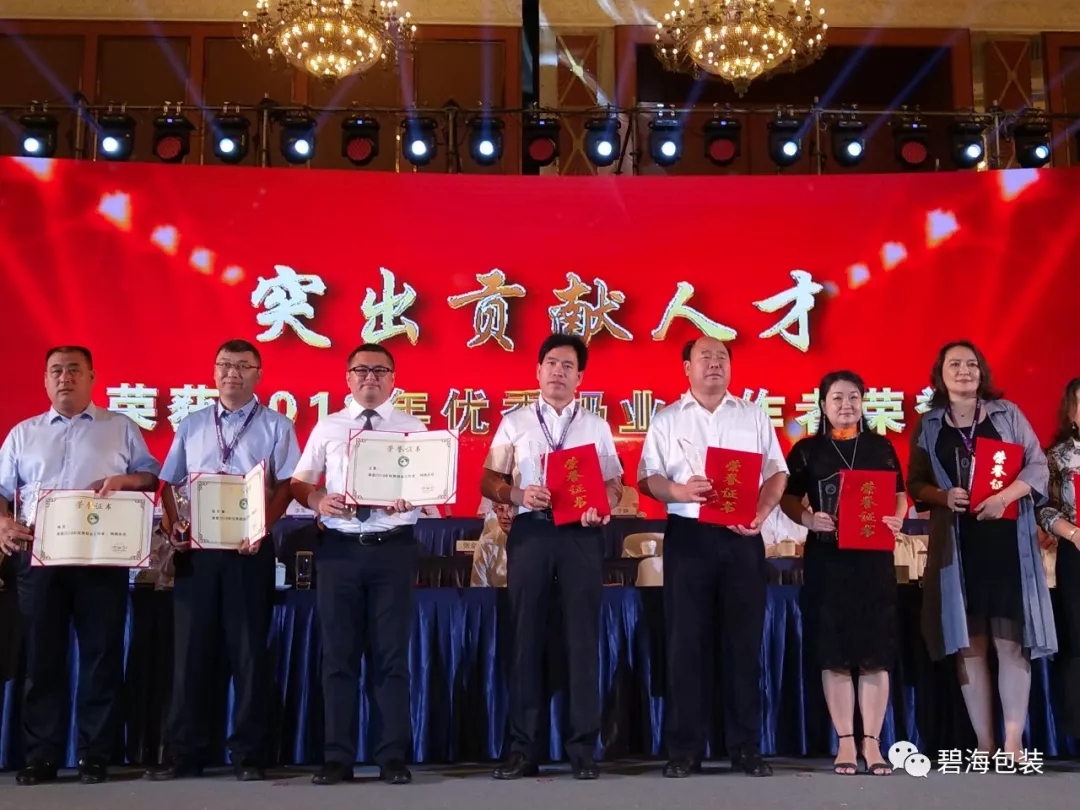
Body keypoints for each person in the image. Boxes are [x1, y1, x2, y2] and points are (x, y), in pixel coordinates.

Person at [0, 346, 160, 786]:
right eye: (56, 370)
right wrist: (3, 522)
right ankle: (41, 756)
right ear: (45, 380)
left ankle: (95, 755)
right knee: (42, 659)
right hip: (39, 558)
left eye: (74, 369)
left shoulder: (119, 427)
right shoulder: (24, 434)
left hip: (101, 557)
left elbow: (150, 476)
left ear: (91, 377)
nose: (64, 377)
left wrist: (124, 480)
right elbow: (1, 490)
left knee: (101, 657)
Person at [144, 339, 300, 782]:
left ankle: (249, 755)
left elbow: (287, 485)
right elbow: (169, 484)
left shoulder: (276, 425)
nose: (233, 373)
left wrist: (262, 527)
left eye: (243, 366)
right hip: (198, 554)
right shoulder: (192, 424)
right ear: (213, 372)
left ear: (258, 374)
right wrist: (175, 526)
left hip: (249, 552)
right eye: (225, 365)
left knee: (249, 654)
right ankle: (183, 753)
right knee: (190, 655)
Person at [638, 337, 787, 778]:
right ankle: (684, 749)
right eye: (705, 356)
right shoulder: (667, 418)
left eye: (722, 357)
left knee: (744, 643)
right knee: (686, 644)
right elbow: (647, 478)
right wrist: (679, 490)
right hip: (689, 537)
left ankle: (746, 747)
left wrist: (761, 512)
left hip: (742, 536)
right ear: (687, 367)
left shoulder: (753, 415)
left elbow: (776, 472)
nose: (715, 363)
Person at [481, 333, 623, 780]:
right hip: (532, 533)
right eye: (551, 363)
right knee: (525, 639)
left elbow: (614, 483)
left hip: (581, 534)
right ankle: (523, 749)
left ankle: (583, 749)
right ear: (537, 371)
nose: (558, 372)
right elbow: (489, 480)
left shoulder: (595, 426)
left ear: (580, 377)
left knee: (582, 640)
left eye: (568, 366)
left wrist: (605, 505)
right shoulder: (515, 422)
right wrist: (517, 494)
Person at [907, 340, 1054, 761]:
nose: (964, 371)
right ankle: (985, 743)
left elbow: (1037, 466)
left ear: (982, 372)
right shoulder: (929, 424)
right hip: (957, 548)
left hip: (1006, 543)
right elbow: (915, 483)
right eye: (954, 364)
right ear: (940, 375)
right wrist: (942, 495)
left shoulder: (1008, 414)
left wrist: (1004, 496)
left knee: (1010, 643)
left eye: (971, 364)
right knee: (969, 645)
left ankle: (1013, 743)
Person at [290, 343, 423, 786]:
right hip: (340, 550)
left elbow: (430, 483)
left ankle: (391, 757)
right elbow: (300, 483)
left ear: (393, 379)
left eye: (380, 370)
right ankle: (337, 757)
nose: (370, 377)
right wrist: (318, 501)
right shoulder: (328, 426)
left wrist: (414, 497)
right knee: (339, 657)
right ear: (347, 378)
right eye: (361, 370)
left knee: (391, 658)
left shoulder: (413, 428)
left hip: (393, 548)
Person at [779, 370, 906, 776]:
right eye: (837, 398)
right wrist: (808, 518)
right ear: (822, 405)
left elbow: (900, 494)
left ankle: (873, 742)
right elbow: (786, 498)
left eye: (853, 397)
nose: (846, 405)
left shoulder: (881, 447)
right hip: (828, 561)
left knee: (874, 654)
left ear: (863, 402)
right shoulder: (807, 450)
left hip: (873, 560)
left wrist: (898, 518)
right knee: (833, 652)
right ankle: (846, 741)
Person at [1038, 377, 1080, 738]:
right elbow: (1045, 509)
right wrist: (1074, 534)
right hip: (1076, 552)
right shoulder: (1058, 456)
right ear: (1072, 413)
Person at [471, 502, 512, 587]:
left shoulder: (537, 544)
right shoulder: (486, 544)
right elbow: (478, 587)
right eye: (501, 509)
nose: (504, 516)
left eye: (510, 510)